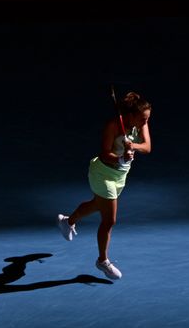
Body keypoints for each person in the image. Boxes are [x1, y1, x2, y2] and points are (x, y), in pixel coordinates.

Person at [57, 91, 153, 279]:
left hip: (120, 177)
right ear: (131, 115)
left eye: (147, 119)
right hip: (102, 174)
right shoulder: (113, 125)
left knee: (96, 205)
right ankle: (102, 261)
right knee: (109, 220)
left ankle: (66, 222)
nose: (145, 122)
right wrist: (120, 158)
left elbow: (147, 147)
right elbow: (104, 154)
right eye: (142, 119)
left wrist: (133, 147)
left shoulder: (141, 123)